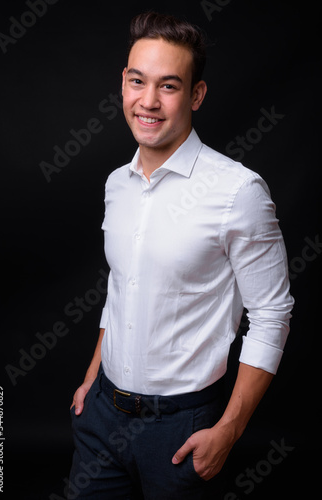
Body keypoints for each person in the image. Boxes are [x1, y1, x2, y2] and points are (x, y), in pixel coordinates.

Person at [68, 11, 294, 500]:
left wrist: (228, 430)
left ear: (196, 95)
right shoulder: (116, 185)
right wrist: (91, 381)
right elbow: (121, 288)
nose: (148, 102)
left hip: (181, 430)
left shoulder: (239, 192)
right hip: (100, 416)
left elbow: (273, 314)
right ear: (123, 85)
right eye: (137, 82)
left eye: (168, 86)